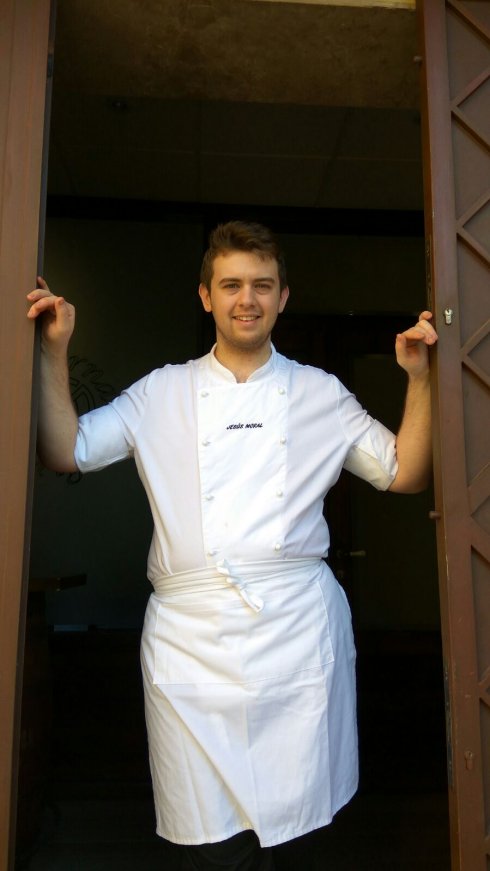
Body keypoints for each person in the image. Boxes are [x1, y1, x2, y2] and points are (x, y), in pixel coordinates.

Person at [27, 221, 438, 871]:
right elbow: (66, 448)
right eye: (232, 285)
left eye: (262, 286)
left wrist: (419, 378)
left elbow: (402, 471)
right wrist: (52, 351)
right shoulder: (160, 392)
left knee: (302, 835)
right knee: (210, 847)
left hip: (297, 633)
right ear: (205, 296)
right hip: (190, 645)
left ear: (283, 297)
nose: (247, 299)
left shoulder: (319, 394)